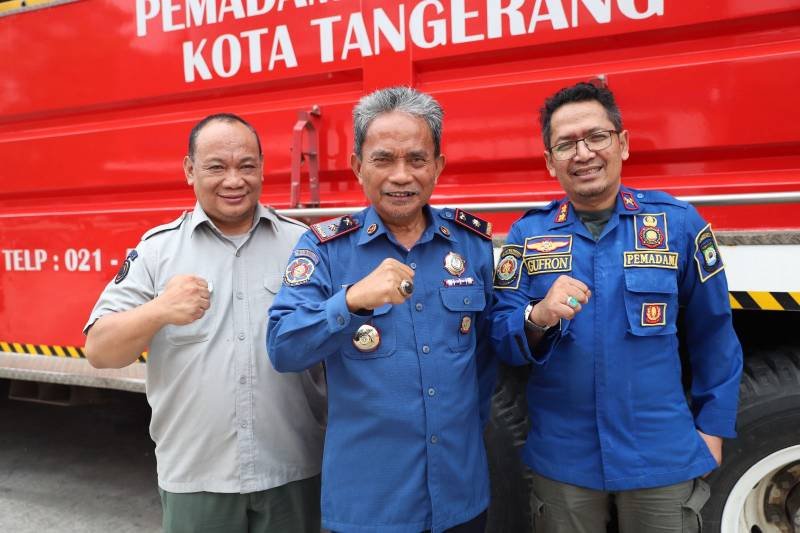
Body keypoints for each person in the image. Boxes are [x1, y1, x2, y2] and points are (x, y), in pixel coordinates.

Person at [491, 81, 743, 532]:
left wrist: (713, 428)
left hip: (661, 454)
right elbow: (502, 339)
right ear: (550, 161)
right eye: (566, 144)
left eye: (597, 136)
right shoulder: (528, 235)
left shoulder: (678, 224)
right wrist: (538, 316)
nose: (583, 153)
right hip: (564, 460)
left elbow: (715, 334)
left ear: (622, 143)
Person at [267, 86, 497, 533]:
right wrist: (351, 301)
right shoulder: (324, 249)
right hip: (370, 505)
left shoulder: (471, 245)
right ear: (358, 166)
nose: (401, 176)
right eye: (383, 159)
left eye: (416, 159)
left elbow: (485, 360)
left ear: (438, 166)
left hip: (460, 495)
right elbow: (283, 347)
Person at [83, 113, 325, 533]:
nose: (234, 180)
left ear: (262, 168)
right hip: (197, 478)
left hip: (292, 472)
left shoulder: (303, 245)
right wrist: (159, 309)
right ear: (190, 170)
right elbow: (100, 351)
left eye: (246, 165)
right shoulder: (157, 251)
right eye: (216, 166)